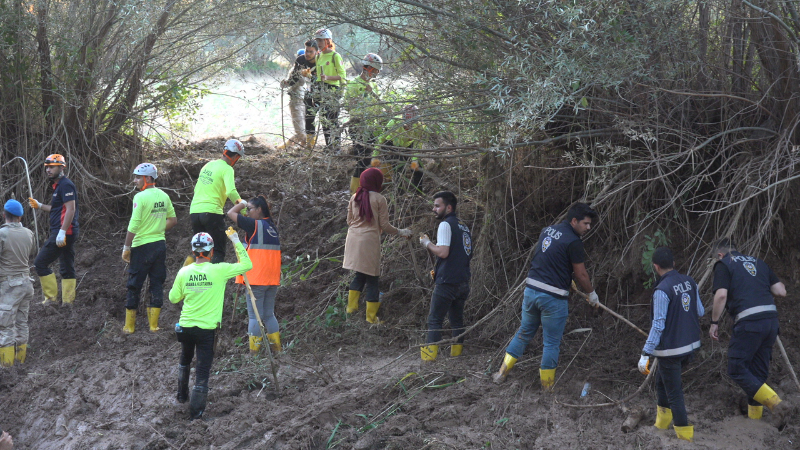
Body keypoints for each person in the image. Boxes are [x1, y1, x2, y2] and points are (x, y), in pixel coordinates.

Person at [492, 202, 600, 388]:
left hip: (531, 291)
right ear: (574, 221)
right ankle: (547, 388)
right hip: (553, 298)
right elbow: (581, 273)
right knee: (551, 343)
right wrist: (591, 293)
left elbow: (546, 259)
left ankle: (501, 373)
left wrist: (567, 281)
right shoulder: (574, 242)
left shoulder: (547, 230)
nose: (588, 228)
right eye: (586, 223)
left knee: (523, 333)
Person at [169, 230, 252, 419]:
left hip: (186, 327)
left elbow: (173, 298)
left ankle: (182, 396)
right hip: (206, 330)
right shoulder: (219, 270)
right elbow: (247, 264)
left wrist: (189, 285)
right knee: (202, 370)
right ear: (211, 252)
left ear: (193, 251)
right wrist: (236, 241)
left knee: (185, 357)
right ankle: (195, 414)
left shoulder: (184, 271)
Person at [709, 238, 791, 429]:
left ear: (720, 255)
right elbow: (781, 291)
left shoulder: (723, 264)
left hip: (749, 322)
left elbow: (721, 295)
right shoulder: (758, 262)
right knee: (758, 372)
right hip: (770, 322)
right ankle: (755, 423)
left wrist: (714, 322)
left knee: (736, 368)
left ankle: (775, 403)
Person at [637, 247, 703, 442]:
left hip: (671, 351)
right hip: (690, 347)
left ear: (656, 267)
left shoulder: (661, 290)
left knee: (674, 393)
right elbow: (700, 310)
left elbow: (658, 326)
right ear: (674, 264)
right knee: (661, 381)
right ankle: (661, 424)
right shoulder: (690, 281)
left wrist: (645, 353)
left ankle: (685, 437)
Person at [343, 168, 411, 323]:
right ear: (377, 181)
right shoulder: (379, 199)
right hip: (369, 241)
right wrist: (401, 231)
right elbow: (385, 225)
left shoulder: (354, 197)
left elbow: (349, 221)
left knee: (360, 274)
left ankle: (351, 310)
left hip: (352, 239)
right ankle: (371, 318)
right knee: (373, 278)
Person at [121, 163, 177, 334]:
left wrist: (126, 246)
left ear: (148, 178)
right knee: (157, 283)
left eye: (138, 177)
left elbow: (134, 224)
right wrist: (157, 228)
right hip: (159, 245)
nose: (135, 180)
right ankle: (154, 325)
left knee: (134, 284)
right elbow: (173, 220)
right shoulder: (164, 196)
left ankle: (129, 326)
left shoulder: (140, 197)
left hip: (141, 247)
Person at [418, 191, 472, 361]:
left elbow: (443, 252)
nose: (434, 209)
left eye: (437, 206)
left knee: (435, 319)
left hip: (447, 281)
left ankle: (429, 357)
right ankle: (457, 355)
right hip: (463, 280)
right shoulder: (464, 227)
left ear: (448, 207)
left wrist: (426, 243)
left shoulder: (445, 225)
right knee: (457, 320)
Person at [227, 195, 282, 353]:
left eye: (249, 209)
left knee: (254, 317)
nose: (246, 212)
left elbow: (231, 213)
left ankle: (254, 354)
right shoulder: (272, 227)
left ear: (259, 210)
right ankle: (277, 350)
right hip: (272, 278)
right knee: (269, 315)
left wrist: (241, 203)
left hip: (256, 278)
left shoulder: (255, 225)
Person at [29, 154, 79, 305]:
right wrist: (39, 205)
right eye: (47, 167)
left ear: (61, 167)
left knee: (40, 263)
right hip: (64, 231)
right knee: (66, 265)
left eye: (52, 167)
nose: (48, 170)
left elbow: (71, 209)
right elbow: (57, 208)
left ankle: (51, 299)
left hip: (64, 232)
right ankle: (68, 302)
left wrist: (62, 232)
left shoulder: (66, 185)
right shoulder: (58, 186)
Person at [188, 139, 245, 265]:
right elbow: (231, 191)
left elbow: (197, 188)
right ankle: (213, 281)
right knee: (218, 250)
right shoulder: (227, 169)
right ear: (236, 156)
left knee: (200, 250)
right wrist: (244, 208)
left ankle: (194, 278)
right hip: (212, 213)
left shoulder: (208, 165)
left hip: (195, 212)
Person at [0, 200, 35, 367]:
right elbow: (31, 253)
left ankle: (6, 368)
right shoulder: (29, 233)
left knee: (5, 325)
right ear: (20, 216)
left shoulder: (2, 235)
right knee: (22, 323)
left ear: (3, 215)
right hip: (27, 283)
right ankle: (21, 361)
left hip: (10, 286)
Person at [344, 53, 384, 194]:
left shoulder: (374, 85)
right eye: (376, 70)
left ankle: (365, 189)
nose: (377, 73)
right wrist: (362, 96)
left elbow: (379, 104)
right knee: (363, 160)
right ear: (369, 69)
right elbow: (348, 105)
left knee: (369, 159)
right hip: (358, 126)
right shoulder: (354, 84)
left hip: (371, 126)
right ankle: (354, 192)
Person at [372, 105, 430, 191]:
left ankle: (418, 190)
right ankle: (399, 192)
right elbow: (382, 138)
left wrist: (414, 159)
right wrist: (375, 156)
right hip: (391, 145)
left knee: (418, 168)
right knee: (399, 168)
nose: (408, 126)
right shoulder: (394, 122)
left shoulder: (419, 126)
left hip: (408, 146)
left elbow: (417, 144)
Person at [312, 28, 346, 153]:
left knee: (333, 119)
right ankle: (329, 146)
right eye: (317, 40)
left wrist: (328, 77)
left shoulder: (335, 56)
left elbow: (342, 76)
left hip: (333, 90)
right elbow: (318, 75)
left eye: (321, 40)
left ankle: (337, 147)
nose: (319, 43)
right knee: (323, 119)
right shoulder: (319, 55)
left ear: (327, 40)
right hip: (321, 89)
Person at [279, 47, 314, 150]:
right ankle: (283, 147)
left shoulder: (312, 69)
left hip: (307, 104)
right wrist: (284, 83)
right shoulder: (294, 71)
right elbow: (289, 83)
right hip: (296, 103)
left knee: (305, 132)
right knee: (301, 133)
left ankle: (300, 150)